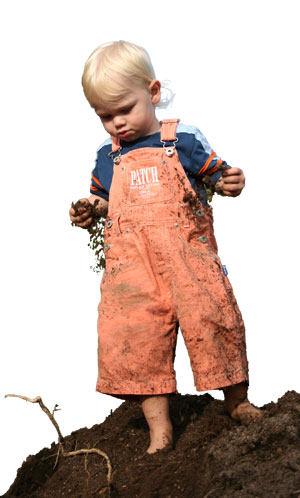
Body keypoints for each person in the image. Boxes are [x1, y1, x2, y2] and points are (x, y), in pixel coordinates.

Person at [69, 41, 262, 454]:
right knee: (136, 339)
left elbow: (219, 177)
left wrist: (231, 182)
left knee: (214, 320)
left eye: (125, 110)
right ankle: (160, 431)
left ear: (152, 93)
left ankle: (237, 403)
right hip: (132, 270)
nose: (117, 123)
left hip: (188, 260)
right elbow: (105, 201)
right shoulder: (108, 158)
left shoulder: (183, 140)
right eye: (106, 116)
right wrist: (89, 208)